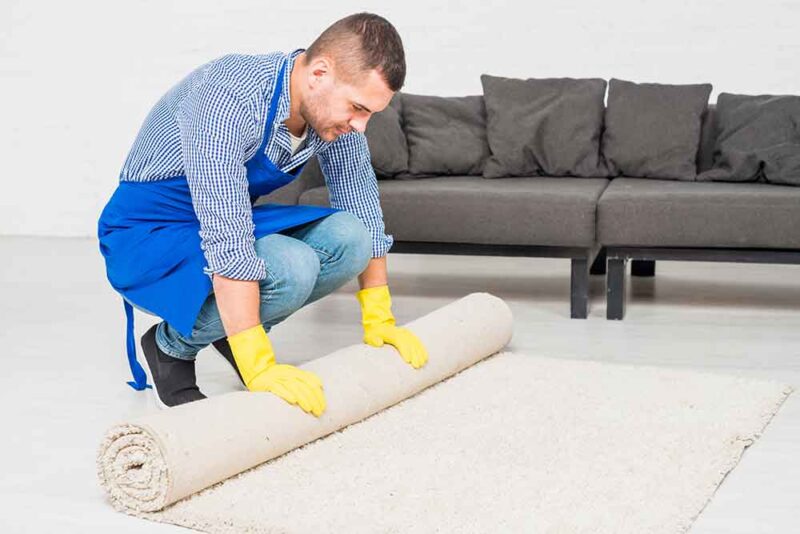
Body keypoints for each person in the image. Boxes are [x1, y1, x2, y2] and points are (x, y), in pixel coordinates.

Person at [97, 12, 428, 415]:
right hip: (147, 235)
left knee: (350, 238)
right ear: (319, 73)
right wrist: (259, 366)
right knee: (291, 265)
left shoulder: (328, 117)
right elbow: (227, 236)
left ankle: (232, 330)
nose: (360, 126)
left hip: (219, 217)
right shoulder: (227, 97)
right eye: (357, 108)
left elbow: (362, 205)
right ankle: (170, 347)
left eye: (370, 114)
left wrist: (381, 320)